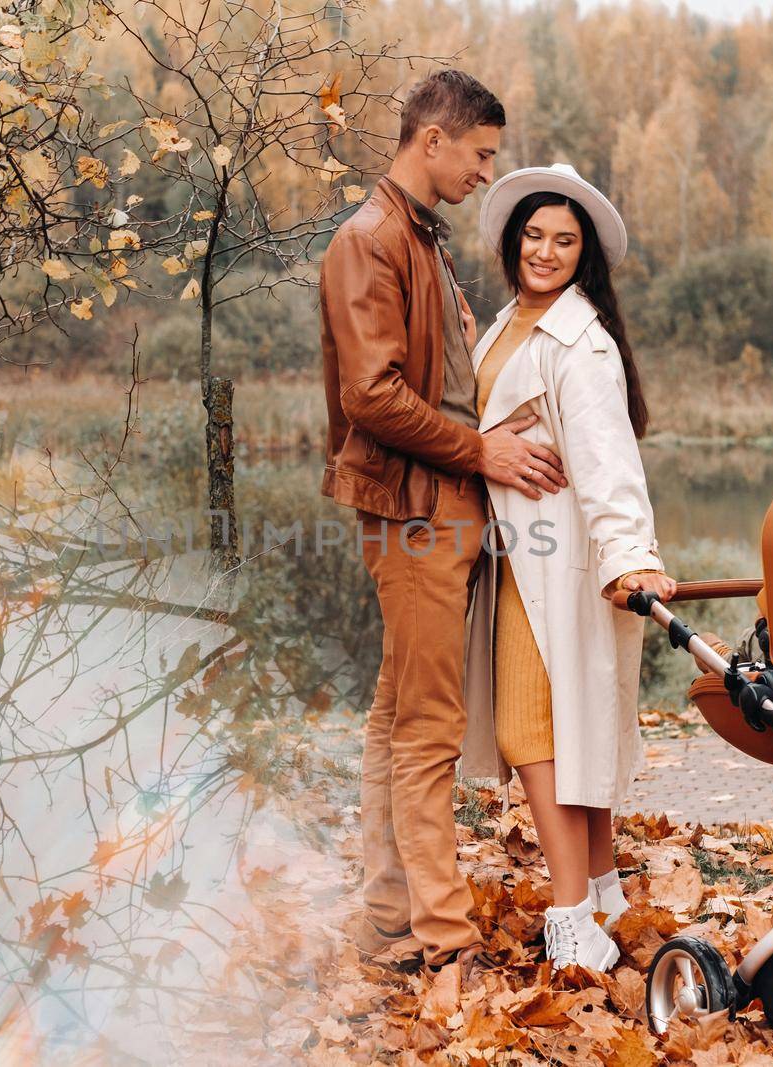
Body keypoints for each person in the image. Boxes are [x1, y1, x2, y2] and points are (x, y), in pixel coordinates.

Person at [317, 70, 570, 980]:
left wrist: (501, 436)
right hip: (412, 510)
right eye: (480, 153)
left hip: (441, 505)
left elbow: (441, 381)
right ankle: (446, 941)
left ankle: (387, 915)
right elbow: (374, 397)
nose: (484, 172)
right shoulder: (371, 240)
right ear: (433, 140)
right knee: (427, 728)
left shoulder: (418, 238)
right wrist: (484, 452)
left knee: (396, 717)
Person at [460, 163, 676, 973]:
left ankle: (571, 913)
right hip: (516, 554)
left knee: (534, 730)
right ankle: (604, 885)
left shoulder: (578, 339)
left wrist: (630, 556)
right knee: (564, 729)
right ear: (514, 239)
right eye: (534, 235)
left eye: (564, 240)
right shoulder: (508, 322)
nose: (544, 251)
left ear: (583, 255)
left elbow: (607, 457)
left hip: (564, 557)